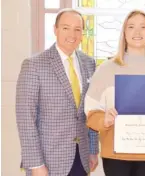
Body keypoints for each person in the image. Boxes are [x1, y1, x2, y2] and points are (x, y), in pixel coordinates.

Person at [85, 10, 145, 176]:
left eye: (143, 27)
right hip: (115, 155)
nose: (137, 32)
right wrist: (104, 119)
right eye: (131, 27)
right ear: (124, 32)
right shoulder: (105, 70)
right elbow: (91, 114)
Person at [16, 8, 99, 176]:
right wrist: (36, 164)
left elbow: (91, 110)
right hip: (47, 161)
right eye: (66, 28)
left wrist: (92, 149)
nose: (72, 34)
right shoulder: (34, 65)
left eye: (77, 29)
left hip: (81, 158)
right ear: (55, 30)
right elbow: (25, 119)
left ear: (83, 33)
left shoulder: (89, 63)